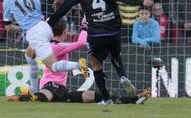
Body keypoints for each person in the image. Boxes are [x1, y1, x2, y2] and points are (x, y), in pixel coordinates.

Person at [47, 0, 153, 105]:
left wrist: (49, 23)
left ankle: (107, 98)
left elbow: (65, 7)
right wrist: (141, 2)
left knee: (96, 64)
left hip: (96, 34)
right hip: (113, 31)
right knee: (115, 55)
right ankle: (122, 75)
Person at [8, 18, 151, 105]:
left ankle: (133, 100)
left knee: (92, 96)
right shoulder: (56, 47)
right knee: (44, 97)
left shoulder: (46, 45)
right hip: (50, 86)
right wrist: (84, 26)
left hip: (62, 91)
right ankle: (26, 96)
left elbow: (31, 51)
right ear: (64, 32)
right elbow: (82, 42)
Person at [3, 0, 89, 94]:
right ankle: (34, 88)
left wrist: (22, 28)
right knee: (29, 56)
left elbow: (8, 28)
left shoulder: (7, 0)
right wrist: (57, 4)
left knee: (53, 67)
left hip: (35, 33)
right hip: (45, 25)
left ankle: (78, 65)